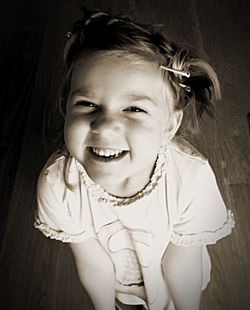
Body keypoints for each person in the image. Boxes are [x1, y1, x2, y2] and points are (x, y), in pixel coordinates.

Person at [34, 8, 235, 310]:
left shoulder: (191, 179)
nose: (104, 125)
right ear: (65, 108)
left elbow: (180, 264)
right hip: (117, 285)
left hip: (176, 279)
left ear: (169, 125)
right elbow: (94, 264)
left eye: (134, 109)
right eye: (87, 104)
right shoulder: (58, 185)